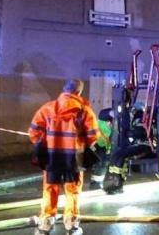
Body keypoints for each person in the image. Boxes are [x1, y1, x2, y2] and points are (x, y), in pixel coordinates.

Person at [28, 79, 99, 235]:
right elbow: (93, 135)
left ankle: (46, 223)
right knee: (72, 190)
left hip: (52, 157)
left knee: (50, 189)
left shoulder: (47, 108)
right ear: (78, 92)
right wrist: (81, 143)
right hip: (73, 158)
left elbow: (33, 132)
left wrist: (46, 142)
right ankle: (71, 225)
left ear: (64, 89)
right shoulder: (83, 111)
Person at [103, 103, 154, 194]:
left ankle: (117, 182)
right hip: (137, 145)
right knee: (116, 156)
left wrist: (129, 133)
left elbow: (139, 132)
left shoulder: (144, 119)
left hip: (145, 146)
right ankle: (113, 180)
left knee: (121, 157)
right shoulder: (137, 119)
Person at [89, 108, 114, 190]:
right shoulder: (99, 127)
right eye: (109, 122)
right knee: (102, 162)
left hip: (101, 146)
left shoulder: (105, 127)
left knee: (102, 162)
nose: (111, 124)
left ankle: (96, 182)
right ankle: (95, 183)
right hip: (96, 146)